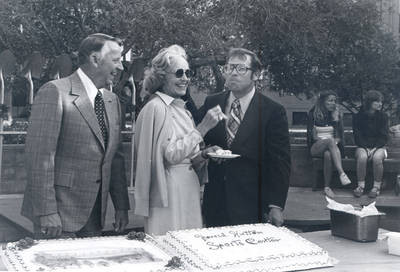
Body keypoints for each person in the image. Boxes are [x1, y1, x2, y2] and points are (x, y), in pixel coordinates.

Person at [21, 33, 130, 238]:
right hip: (59, 216)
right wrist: (47, 212)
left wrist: (121, 206)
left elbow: (114, 157)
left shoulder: (112, 100)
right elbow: (39, 157)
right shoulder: (55, 92)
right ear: (95, 59)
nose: (122, 67)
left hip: (96, 214)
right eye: (116, 60)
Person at [134, 45, 221, 235]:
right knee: (171, 247)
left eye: (188, 73)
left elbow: (187, 156)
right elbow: (171, 155)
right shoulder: (156, 108)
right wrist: (203, 127)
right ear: (162, 77)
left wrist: (204, 154)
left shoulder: (181, 109)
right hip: (168, 191)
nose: (185, 79)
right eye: (179, 73)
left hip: (187, 187)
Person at [200, 48, 291, 227]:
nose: (233, 73)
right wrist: (207, 150)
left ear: (256, 74)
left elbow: (279, 162)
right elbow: (199, 138)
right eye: (229, 68)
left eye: (241, 69)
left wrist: (276, 206)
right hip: (215, 201)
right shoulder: (212, 102)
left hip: (253, 203)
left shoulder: (272, 111)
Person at [306, 91, 351, 198]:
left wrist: (335, 142)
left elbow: (339, 136)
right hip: (316, 146)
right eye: (330, 100)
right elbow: (312, 137)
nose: (333, 103)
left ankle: (327, 187)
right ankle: (342, 173)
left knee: (328, 155)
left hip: (331, 147)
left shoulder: (336, 116)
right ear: (322, 102)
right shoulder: (313, 114)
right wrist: (328, 141)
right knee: (330, 141)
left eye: (335, 101)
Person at [352, 90, 389, 198]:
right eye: (377, 101)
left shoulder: (383, 116)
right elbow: (357, 136)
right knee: (362, 157)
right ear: (369, 102)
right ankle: (360, 187)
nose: (380, 104)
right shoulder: (358, 117)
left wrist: (374, 149)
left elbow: (384, 136)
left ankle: (376, 187)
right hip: (362, 146)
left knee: (377, 158)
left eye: (381, 101)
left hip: (379, 146)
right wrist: (365, 148)